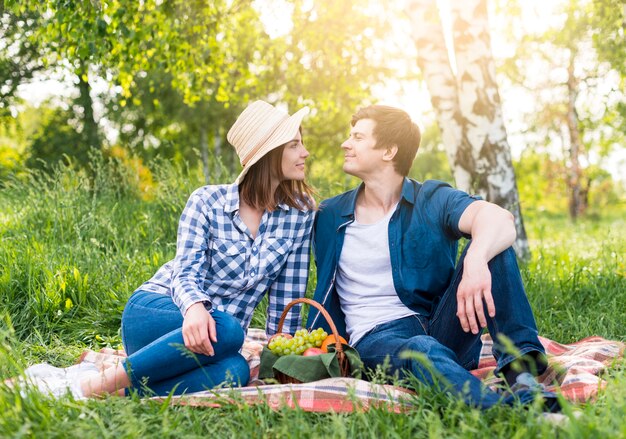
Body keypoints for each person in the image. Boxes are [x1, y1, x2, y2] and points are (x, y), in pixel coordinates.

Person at [23, 100, 316, 398]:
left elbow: (287, 296)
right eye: (294, 145)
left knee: (236, 371)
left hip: (214, 341)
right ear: (268, 153)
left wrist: (285, 357)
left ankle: (113, 390)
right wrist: (194, 308)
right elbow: (185, 271)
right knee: (229, 329)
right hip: (161, 313)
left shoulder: (300, 213)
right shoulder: (207, 202)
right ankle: (89, 386)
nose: (304, 152)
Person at [307, 105, 559, 410]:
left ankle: (523, 377)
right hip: (378, 341)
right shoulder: (329, 215)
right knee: (421, 348)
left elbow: (500, 219)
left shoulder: (431, 198)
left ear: (388, 151)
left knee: (494, 246)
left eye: (357, 137)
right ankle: (505, 414)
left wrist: (476, 260)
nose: (346, 144)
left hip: (444, 326)